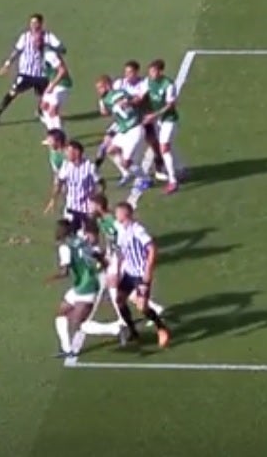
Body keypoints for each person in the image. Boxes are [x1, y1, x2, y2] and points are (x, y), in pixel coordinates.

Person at [112, 202, 171, 348]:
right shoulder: (121, 230)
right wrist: (118, 272)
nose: (115, 215)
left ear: (124, 214)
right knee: (119, 300)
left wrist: (148, 271)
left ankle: (161, 328)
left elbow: (152, 249)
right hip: (129, 273)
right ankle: (133, 331)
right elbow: (121, 253)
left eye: (117, 212)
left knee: (142, 307)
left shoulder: (138, 230)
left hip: (140, 274)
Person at [48, 219, 109, 358]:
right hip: (83, 284)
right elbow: (95, 253)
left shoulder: (64, 247)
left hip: (85, 287)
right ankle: (66, 348)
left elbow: (65, 272)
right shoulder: (80, 240)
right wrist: (104, 264)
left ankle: (115, 329)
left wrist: (52, 278)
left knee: (79, 324)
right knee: (61, 314)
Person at [0, 15, 50, 131]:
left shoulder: (47, 37)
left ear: (41, 24)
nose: (33, 25)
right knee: (12, 93)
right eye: (31, 23)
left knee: (45, 96)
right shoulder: (24, 37)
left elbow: (59, 48)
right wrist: (7, 64)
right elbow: (16, 51)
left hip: (41, 74)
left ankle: (40, 112)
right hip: (25, 73)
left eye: (36, 23)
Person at [144, 59, 185, 194]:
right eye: (150, 71)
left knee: (164, 148)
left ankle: (173, 181)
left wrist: (153, 115)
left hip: (169, 120)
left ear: (160, 71)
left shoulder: (168, 85)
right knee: (168, 147)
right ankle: (181, 169)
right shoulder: (148, 82)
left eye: (153, 71)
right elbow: (140, 96)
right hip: (159, 121)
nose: (151, 74)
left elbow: (170, 105)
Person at [44, 140, 99, 232]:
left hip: (87, 208)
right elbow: (59, 182)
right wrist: (53, 199)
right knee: (69, 232)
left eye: (68, 151)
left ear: (76, 152)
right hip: (71, 206)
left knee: (86, 233)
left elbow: (100, 183)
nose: (66, 154)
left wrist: (97, 202)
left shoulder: (89, 166)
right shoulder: (66, 165)